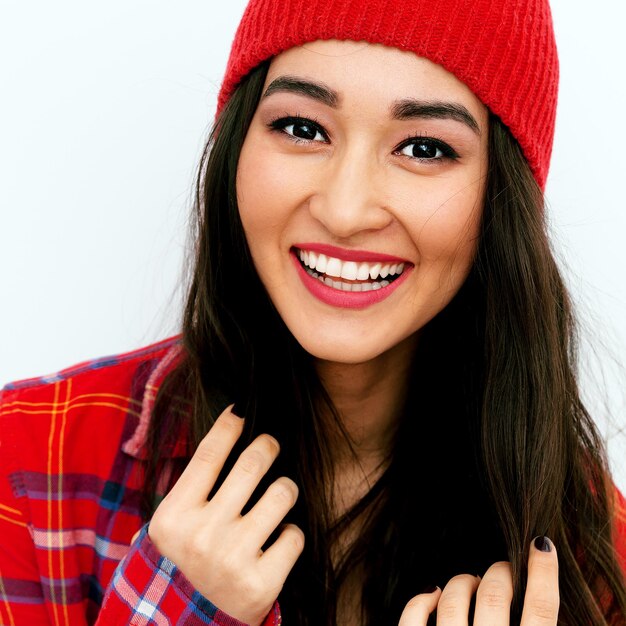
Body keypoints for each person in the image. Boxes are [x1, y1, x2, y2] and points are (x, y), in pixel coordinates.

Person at [1, 0, 625, 624]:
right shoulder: (32, 464)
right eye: (303, 129)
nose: (346, 211)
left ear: (500, 198)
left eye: (426, 147)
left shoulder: (593, 544)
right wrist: (178, 608)